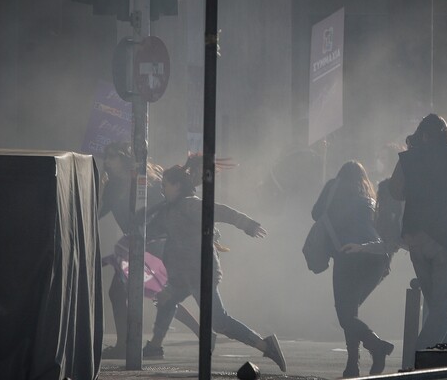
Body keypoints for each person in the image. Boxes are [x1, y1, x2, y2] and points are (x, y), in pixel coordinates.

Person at [142, 164, 287, 372]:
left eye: (165, 185)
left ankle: (265, 345)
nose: (162, 189)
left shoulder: (190, 205)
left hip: (200, 273)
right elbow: (152, 229)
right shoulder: (169, 209)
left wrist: (246, 224)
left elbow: (220, 211)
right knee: (164, 299)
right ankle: (156, 346)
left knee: (219, 321)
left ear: (177, 185)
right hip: (183, 276)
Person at [99, 142, 204, 359]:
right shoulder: (112, 186)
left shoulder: (145, 182)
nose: (107, 161)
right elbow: (98, 211)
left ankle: (124, 345)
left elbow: (170, 206)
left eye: (112, 156)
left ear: (125, 158)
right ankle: (204, 334)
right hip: (137, 244)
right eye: (105, 156)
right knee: (160, 294)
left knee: (122, 292)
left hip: (156, 243)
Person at [388, 114, 447, 363]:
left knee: (435, 303)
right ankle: (416, 361)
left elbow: (396, 190)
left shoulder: (407, 158)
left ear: (422, 134)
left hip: (417, 238)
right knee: (442, 308)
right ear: (446, 134)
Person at [311, 160, 396, 378]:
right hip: (376, 259)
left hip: (348, 254)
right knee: (351, 312)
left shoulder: (334, 187)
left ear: (340, 176)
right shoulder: (370, 197)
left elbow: (315, 213)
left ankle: (376, 346)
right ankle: (352, 365)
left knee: (345, 316)